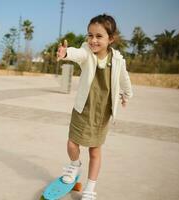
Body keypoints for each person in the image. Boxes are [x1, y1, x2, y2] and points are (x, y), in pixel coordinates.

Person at [57, 14, 133, 200]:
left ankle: (90, 188)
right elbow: (77, 53)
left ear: (111, 38)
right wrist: (66, 53)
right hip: (82, 109)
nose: (93, 40)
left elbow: (124, 79)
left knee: (95, 151)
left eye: (99, 36)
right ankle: (75, 166)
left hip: (101, 113)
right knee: (72, 143)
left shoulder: (117, 60)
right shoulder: (86, 52)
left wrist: (126, 94)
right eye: (90, 35)